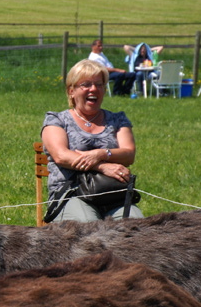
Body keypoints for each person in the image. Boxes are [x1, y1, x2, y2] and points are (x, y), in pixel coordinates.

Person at [41, 59, 143, 222]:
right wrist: (102, 166)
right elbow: (61, 155)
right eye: (86, 84)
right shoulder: (57, 120)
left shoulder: (118, 120)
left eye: (99, 84)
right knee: (90, 228)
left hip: (112, 195)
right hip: (70, 195)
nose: (94, 89)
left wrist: (101, 153)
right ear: (71, 91)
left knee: (137, 228)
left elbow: (128, 154)